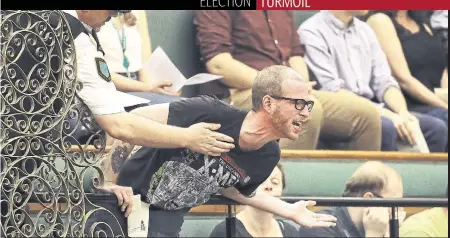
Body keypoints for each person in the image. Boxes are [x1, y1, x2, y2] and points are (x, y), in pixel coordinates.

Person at [100, 65, 337, 237]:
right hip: (123, 203)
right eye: (298, 104)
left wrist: (289, 210)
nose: (306, 113)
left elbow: (233, 188)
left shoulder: (268, 156)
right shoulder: (211, 112)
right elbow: (132, 120)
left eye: (308, 105)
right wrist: (110, 182)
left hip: (166, 222)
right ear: (268, 103)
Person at [60, 10, 236, 195]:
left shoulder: (86, 25)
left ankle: (217, 183)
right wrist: (188, 137)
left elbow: (144, 63)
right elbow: (117, 123)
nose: (112, 17)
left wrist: (151, 87)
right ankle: (115, 182)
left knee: (183, 106)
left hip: (127, 93)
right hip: (79, 107)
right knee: (180, 110)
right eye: (111, 12)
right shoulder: (77, 32)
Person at [194, 10, 382, 151]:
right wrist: (281, 87)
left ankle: (360, 196)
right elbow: (218, 64)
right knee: (305, 109)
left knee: (366, 115)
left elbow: (295, 54)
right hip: (243, 91)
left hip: (287, 90)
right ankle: (282, 197)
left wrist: (299, 85)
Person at [298, 10, 447, 152]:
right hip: (343, 108)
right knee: (385, 126)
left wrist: (402, 112)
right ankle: (384, 178)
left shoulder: (365, 30)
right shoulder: (311, 30)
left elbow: (385, 81)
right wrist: (388, 115)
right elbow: (332, 89)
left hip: (377, 106)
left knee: (435, 129)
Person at [365, 10, 448, 126]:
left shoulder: (422, 22)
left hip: (434, 102)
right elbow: (403, 79)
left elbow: (441, 69)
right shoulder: (380, 21)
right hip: (404, 105)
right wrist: (444, 106)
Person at [299, 161, 405, 237]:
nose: (401, 212)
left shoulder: (384, 228)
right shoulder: (319, 226)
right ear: (369, 200)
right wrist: (374, 234)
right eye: (395, 204)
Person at [97, 10, 181, 104]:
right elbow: (98, 72)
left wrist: (158, 89)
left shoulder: (138, 12)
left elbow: (145, 62)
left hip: (138, 83)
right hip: (109, 87)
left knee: (179, 104)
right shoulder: (90, 15)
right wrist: (148, 89)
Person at [209, 163, 299, 237]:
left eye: (275, 182)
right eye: (261, 181)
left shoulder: (290, 231)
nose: (269, 186)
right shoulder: (224, 231)